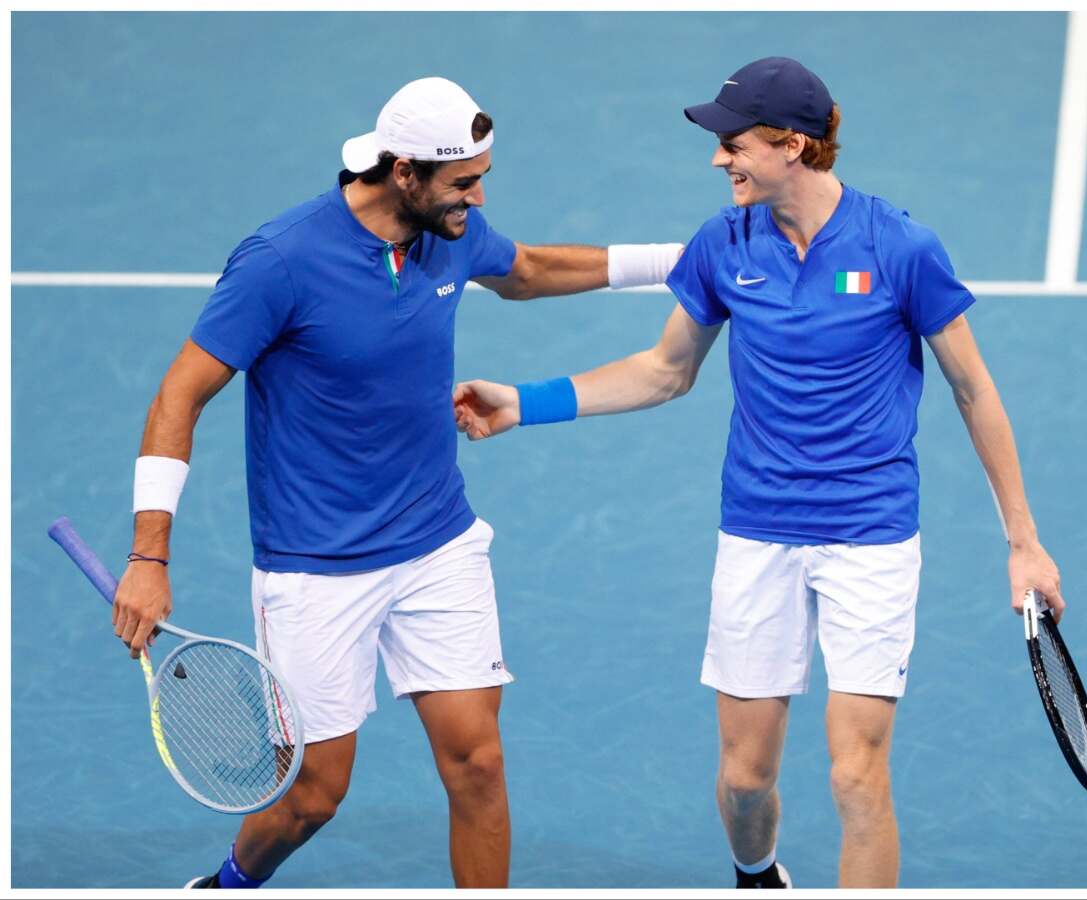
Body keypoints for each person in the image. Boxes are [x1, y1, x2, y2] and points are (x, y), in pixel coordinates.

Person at [452, 57, 1066, 889]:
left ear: (794, 146)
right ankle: (757, 873)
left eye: (733, 143)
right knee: (745, 783)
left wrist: (1022, 541)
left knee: (856, 776)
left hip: (870, 538)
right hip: (758, 533)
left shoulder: (900, 246)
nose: (718, 160)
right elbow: (667, 370)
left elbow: (973, 388)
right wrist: (527, 403)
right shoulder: (723, 243)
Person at [111, 76, 683, 890]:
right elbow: (180, 394)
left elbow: (525, 268)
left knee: (479, 764)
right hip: (315, 568)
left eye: (481, 176)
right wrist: (149, 554)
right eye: (463, 181)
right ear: (403, 172)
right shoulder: (281, 261)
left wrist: (678, 262)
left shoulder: (450, 230)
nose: (478, 197)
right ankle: (228, 884)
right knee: (312, 794)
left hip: (436, 542)